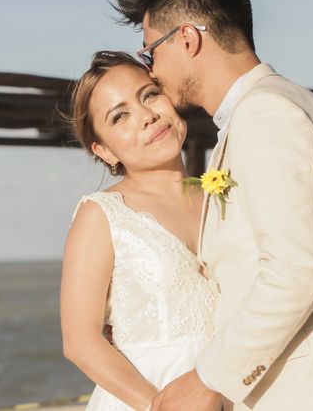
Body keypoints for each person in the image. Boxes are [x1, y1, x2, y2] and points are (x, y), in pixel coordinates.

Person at [113, 0, 313, 411]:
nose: (152, 73)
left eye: (149, 53)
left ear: (186, 38)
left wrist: (207, 379)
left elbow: (297, 272)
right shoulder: (265, 112)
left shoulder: (268, 115)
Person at [60, 51, 221, 411]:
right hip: (147, 400)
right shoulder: (101, 215)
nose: (147, 116)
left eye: (149, 95)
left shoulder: (221, 195)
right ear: (104, 150)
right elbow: (80, 341)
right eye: (120, 116)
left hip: (232, 390)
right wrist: (161, 407)